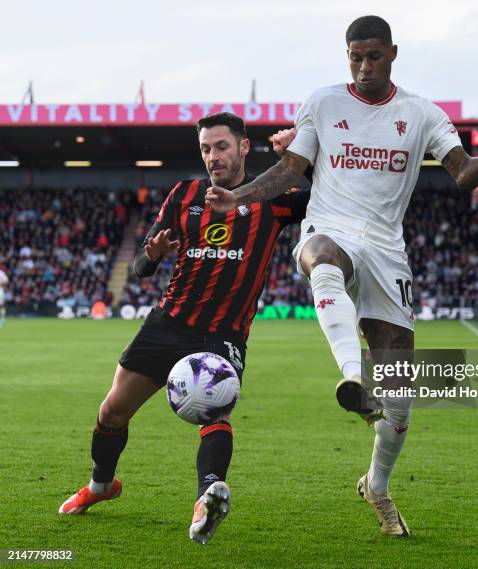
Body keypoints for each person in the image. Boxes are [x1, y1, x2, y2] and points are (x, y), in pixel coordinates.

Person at [205, 15, 478, 537]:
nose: (364, 66)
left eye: (374, 56)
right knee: (321, 256)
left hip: (387, 248)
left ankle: (377, 485)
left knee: (399, 395)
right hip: (330, 225)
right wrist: (238, 197)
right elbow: (288, 171)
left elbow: (463, 174)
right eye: (355, 57)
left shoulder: (422, 114)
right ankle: (352, 377)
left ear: (393, 53)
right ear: (345, 55)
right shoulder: (324, 102)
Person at [58, 113, 309, 545]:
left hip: (223, 334)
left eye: (222, 146)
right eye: (206, 149)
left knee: (215, 411)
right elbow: (138, 268)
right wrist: (153, 254)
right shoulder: (185, 195)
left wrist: (299, 156)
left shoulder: (275, 197)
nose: (214, 157)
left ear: (244, 147)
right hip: (168, 322)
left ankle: (207, 497)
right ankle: (102, 486)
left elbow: (334, 191)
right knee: (112, 412)